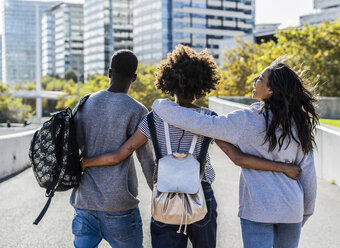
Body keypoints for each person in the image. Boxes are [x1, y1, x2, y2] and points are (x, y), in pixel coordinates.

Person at [81, 46, 301, 248]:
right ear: (202, 84)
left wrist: (86, 162)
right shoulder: (209, 120)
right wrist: (283, 167)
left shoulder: (154, 118)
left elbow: (121, 154)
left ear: (168, 82)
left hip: (165, 196)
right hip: (200, 196)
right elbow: (239, 159)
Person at [152, 59, 318, 248]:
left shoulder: (245, 121)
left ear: (271, 90)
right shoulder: (299, 125)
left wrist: (160, 105)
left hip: (257, 210)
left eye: (260, 78)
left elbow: (198, 122)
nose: (255, 79)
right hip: (291, 209)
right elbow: (308, 175)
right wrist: (304, 213)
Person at [70, 50, 155, 248]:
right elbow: (147, 162)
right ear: (134, 78)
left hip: (84, 202)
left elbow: (74, 147)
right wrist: (160, 196)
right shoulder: (138, 110)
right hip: (119, 205)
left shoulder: (86, 103)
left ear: (109, 72)